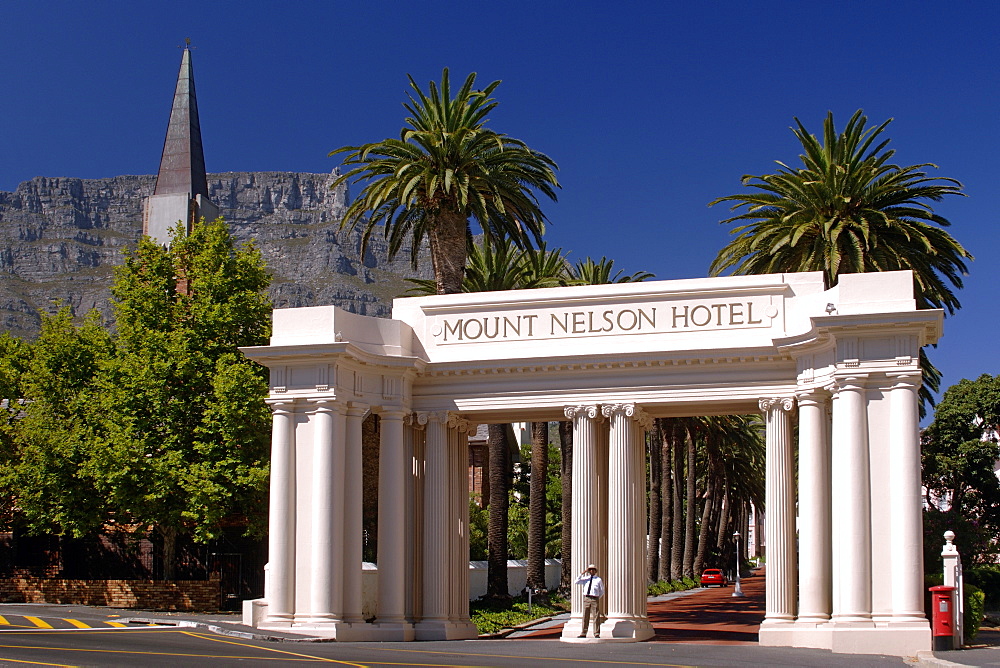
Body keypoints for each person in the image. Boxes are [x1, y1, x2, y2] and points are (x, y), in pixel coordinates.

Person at [574, 564, 605, 638]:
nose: (592, 571)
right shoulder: (585, 579)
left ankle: (596, 633)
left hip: (594, 598)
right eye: (590, 569)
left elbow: (602, 591)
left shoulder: (598, 579)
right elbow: (576, 581)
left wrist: (597, 597)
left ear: (595, 571)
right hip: (587, 598)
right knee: (585, 615)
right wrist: (583, 572)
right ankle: (584, 632)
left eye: (593, 569)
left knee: (596, 616)